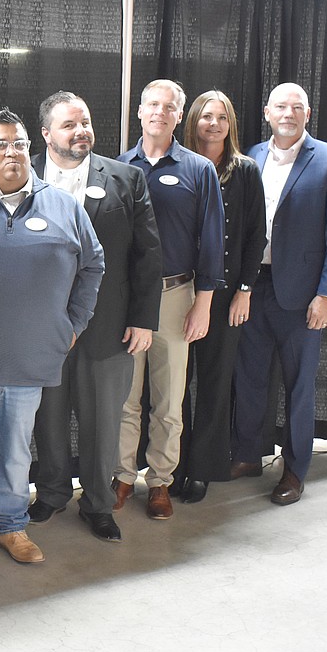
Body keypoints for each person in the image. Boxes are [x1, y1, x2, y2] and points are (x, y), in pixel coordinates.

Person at [0, 109, 103, 566]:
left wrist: (74, 324)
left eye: (21, 144)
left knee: (15, 452)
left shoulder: (63, 205)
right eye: (1, 144)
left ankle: (10, 526)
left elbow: (93, 265)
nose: (13, 152)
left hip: (29, 359)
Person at [31, 92, 162, 543]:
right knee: (46, 418)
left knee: (103, 422)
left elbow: (148, 255)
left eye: (84, 122)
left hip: (108, 327)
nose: (81, 131)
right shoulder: (20, 176)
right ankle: (49, 493)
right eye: (69, 125)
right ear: (46, 134)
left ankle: (98, 505)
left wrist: (145, 319)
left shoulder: (127, 179)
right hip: (41, 330)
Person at [230, 82, 327, 505]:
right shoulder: (252, 155)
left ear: (308, 113)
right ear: (267, 112)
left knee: (299, 385)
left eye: (296, 107)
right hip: (253, 287)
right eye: (280, 106)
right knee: (248, 377)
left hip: (303, 295)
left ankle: (295, 469)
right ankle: (248, 454)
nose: (288, 113)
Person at [115, 79, 224, 520]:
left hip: (177, 296)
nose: (160, 112)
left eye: (170, 106)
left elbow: (213, 241)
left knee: (169, 398)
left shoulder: (199, 170)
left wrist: (204, 303)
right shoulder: (119, 167)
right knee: (125, 396)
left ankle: (159, 480)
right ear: (139, 112)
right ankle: (122, 476)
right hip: (127, 300)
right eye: (152, 104)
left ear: (181, 116)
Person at [176, 91, 266, 503]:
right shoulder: (179, 165)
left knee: (214, 381)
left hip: (226, 292)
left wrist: (244, 290)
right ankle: (171, 465)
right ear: (192, 120)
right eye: (206, 116)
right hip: (177, 290)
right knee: (173, 385)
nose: (213, 124)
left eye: (222, 117)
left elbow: (254, 235)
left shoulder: (244, 170)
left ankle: (203, 468)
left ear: (231, 124)